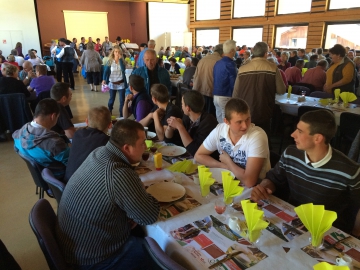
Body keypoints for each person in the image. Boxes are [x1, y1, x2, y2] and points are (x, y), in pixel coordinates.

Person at [56, 119, 159, 269]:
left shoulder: (99, 152)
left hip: (74, 244)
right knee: (160, 254)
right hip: (92, 259)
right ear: (127, 148)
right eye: (142, 143)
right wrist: (141, 192)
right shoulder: (119, 174)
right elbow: (149, 216)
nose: (145, 147)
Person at [251, 110, 360, 235]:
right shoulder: (291, 153)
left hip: (324, 230)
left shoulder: (350, 170)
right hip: (292, 219)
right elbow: (274, 178)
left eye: (300, 131)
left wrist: (356, 234)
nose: (293, 134)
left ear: (317, 138)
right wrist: (263, 187)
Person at [195, 98, 270, 188]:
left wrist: (228, 162)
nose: (245, 125)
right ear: (226, 121)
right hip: (231, 181)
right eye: (239, 122)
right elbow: (198, 156)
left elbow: (250, 181)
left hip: (257, 188)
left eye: (247, 119)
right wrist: (222, 165)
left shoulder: (257, 136)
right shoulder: (220, 131)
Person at [232, 41, 286, 136]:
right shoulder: (273, 68)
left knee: (246, 137)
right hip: (264, 109)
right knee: (263, 137)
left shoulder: (242, 69)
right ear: (265, 53)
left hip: (245, 110)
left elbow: (235, 93)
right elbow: (281, 90)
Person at [12, 98, 69, 179]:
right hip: (59, 177)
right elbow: (72, 163)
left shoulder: (18, 134)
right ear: (53, 116)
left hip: (42, 176)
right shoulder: (54, 143)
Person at [64, 106, 111, 182]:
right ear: (110, 125)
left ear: (86, 121)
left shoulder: (77, 134)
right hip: (85, 187)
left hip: (68, 182)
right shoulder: (106, 142)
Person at [166, 90, 218, 157]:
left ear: (188, 108)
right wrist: (170, 126)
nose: (181, 106)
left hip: (206, 163)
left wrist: (180, 127)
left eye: (182, 104)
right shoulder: (187, 117)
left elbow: (195, 151)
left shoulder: (209, 122)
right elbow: (169, 141)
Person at [193, 44, 223, 116]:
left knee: (202, 115)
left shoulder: (203, 60)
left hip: (199, 91)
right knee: (211, 117)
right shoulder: (220, 61)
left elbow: (195, 76)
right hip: (212, 92)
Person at [213, 40, 237, 123]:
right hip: (225, 95)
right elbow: (233, 82)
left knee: (220, 121)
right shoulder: (230, 64)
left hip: (216, 95)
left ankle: (220, 136)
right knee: (227, 122)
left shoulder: (217, 63)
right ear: (232, 51)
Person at [102, 46, 128, 116]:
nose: (117, 53)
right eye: (116, 51)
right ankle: (109, 111)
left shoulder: (122, 61)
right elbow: (106, 71)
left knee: (122, 101)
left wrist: (120, 60)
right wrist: (104, 79)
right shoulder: (110, 61)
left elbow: (123, 70)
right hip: (112, 83)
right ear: (113, 52)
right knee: (111, 100)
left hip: (121, 83)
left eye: (119, 52)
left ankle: (121, 115)